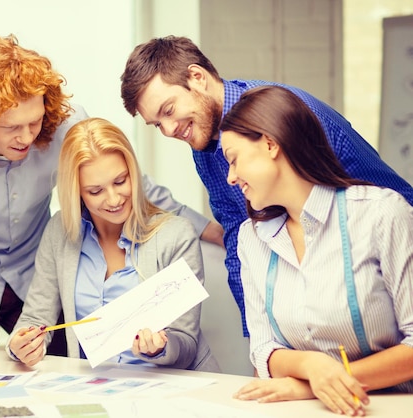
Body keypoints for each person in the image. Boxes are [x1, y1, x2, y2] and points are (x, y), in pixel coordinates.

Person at [0, 34, 222, 351]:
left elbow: (128, 180)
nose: (26, 138)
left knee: (60, 369)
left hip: (34, 276)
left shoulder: (64, 126)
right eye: (11, 127)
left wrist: (206, 228)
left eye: (34, 122)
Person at [120, 35, 413, 337]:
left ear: (197, 78)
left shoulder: (291, 114)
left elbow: (391, 203)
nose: (168, 131)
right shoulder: (204, 144)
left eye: (168, 110)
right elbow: (236, 233)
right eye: (156, 124)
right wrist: (260, 345)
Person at [218, 86, 413, 415]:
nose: (231, 177)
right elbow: (263, 350)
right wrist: (311, 366)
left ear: (270, 143)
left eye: (234, 160)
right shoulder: (250, 239)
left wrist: (317, 383)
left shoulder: (381, 213)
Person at [6, 117, 220, 372]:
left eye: (120, 181)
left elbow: (186, 344)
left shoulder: (176, 235)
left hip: (172, 388)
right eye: (95, 191)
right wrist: (21, 345)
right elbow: (35, 318)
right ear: (77, 192)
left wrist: (160, 347)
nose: (114, 199)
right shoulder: (59, 232)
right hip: (97, 387)